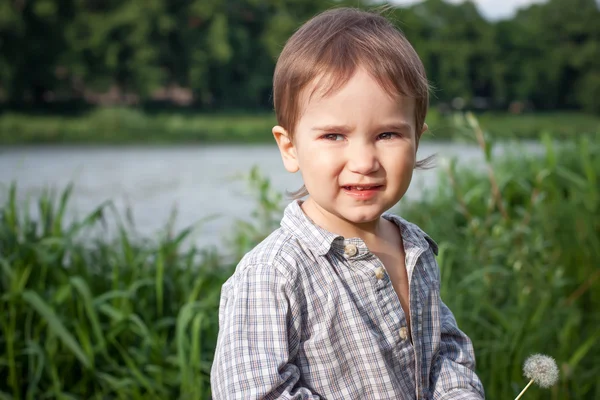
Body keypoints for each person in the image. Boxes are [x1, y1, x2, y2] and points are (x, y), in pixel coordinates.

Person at [211, 7, 485, 400]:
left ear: (417, 140)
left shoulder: (413, 248)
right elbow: (257, 393)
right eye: (335, 136)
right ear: (290, 148)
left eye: (388, 134)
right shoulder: (272, 274)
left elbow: (444, 352)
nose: (364, 163)